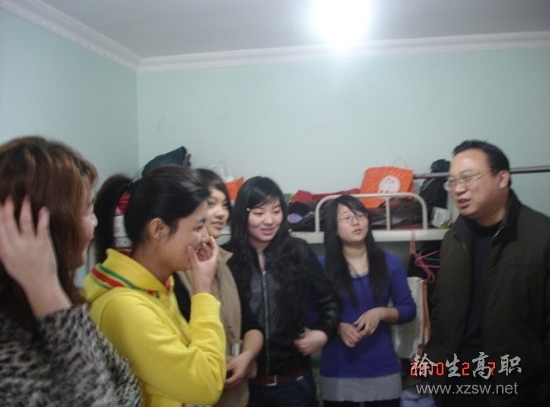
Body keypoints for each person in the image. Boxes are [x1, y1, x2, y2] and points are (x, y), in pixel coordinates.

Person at [0, 136, 141, 406]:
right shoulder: (11, 339)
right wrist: (44, 287)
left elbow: (126, 380)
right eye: (86, 211)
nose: (94, 223)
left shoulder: (64, 301)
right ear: (46, 225)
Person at [84, 165, 226, 407]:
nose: (205, 237)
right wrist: (203, 292)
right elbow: (206, 385)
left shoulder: (158, 286)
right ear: (158, 229)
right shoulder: (124, 307)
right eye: (197, 227)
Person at [424, 140, 550, 406]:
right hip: (453, 381)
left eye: (468, 178)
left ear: (502, 178)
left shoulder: (541, 237)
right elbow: (441, 308)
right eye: (452, 182)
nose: (458, 189)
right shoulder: (454, 238)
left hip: (513, 388)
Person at [225, 176, 341, 407]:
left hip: (294, 381)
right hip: (244, 382)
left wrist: (323, 333)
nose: (269, 220)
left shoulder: (298, 252)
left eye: (276, 211)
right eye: (259, 213)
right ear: (242, 215)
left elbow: (329, 300)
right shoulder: (226, 258)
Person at [173, 168, 264, 407]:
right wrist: (227, 364)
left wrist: (246, 357)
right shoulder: (176, 270)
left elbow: (250, 325)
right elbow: (183, 344)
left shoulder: (226, 261)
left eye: (224, 205)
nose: (221, 213)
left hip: (238, 396)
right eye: (211, 204)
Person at [319, 195, 416, 407]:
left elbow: (408, 309)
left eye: (360, 215)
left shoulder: (389, 262)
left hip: (382, 369)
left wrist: (381, 313)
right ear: (334, 229)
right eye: (347, 217)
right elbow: (309, 312)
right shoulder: (322, 267)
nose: (356, 221)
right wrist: (337, 327)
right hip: (338, 371)